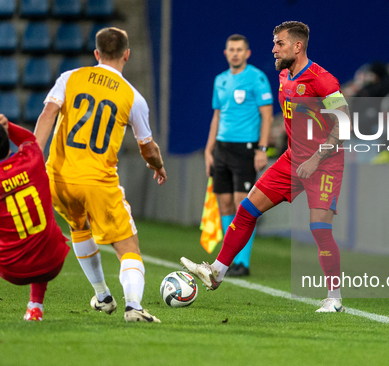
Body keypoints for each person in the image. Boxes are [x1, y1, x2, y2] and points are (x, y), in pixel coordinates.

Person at [182, 21, 349, 313]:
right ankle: (217, 271)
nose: (273, 49)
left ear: (298, 46)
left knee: (320, 229)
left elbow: (344, 123)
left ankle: (334, 298)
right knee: (247, 210)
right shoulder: (284, 75)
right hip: (292, 159)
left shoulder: (323, 80)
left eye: (279, 43)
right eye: (274, 43)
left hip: (325, 164)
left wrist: (315, 158)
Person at [33, 27, 166, 323]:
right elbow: (148, 147)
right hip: (98, 181)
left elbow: (47, 115)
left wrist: (32, 156)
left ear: (97, 54)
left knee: (78, 228)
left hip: (59, 177)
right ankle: (133, 306)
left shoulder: (70, 78)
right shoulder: (133, 96)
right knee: (127, 247)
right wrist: (157, 166)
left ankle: (103, 296)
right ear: (127, 55)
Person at [205, 34, 273, 277]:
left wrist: (262, 149)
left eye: (239, 49)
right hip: (221, 149)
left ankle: (241, 263)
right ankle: (228, 261)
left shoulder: (257, 78)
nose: (235, 53)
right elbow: (217, 116)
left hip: (245, 148)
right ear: (226, 53)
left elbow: (267, 115)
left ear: (247, 53)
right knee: (224, 204)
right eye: (231, 49)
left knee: (241, 205)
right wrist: (208, 150)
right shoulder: (220, 80)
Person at [0, 115, 70, 321]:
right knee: (45, 228)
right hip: (53, 263)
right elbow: (30, 139)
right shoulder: (32, 158)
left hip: (11, 271)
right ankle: (35, 305)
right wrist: (9, 126)